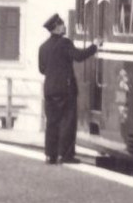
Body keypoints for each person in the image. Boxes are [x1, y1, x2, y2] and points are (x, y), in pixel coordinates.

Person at [38, 13, 100, 165]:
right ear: (56, 28)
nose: (65, 26)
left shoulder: (43, 47)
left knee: (51, 123)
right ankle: (64, 155)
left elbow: (42, 69)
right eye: (62, 24)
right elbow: (79, 56)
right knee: (67, 122)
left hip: (49, 90)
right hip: (65, 90)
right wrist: (94, 46)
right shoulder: (65, 43)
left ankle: (50, 156)